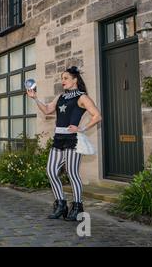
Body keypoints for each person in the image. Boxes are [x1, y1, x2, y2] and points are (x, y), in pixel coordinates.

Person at [27, 66, 102, 221]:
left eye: (66, 78)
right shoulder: (61, 97)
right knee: (51, 171)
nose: (63, 81)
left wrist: (81, 128)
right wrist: (35, 98)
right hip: (59, 139)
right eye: (62, 79)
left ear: (75, 79)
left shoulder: (82, 97)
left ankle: (78, 207)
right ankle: (61, 204)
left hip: (72, 140)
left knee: (72, 173)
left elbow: (97, 116)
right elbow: (47, 110)